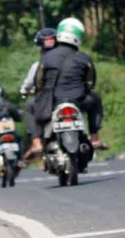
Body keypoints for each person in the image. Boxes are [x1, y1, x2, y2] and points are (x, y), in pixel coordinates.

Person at [32, 17, 106, 152]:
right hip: (79, 101)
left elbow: (38, 81)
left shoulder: (46, 57)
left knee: (33, 104)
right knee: (96, 99)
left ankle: (37, 142)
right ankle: (94, 137)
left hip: (53, 102)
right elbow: (91, 83)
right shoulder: (84, 58)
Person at [22, 28, 57, 156]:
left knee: (29, 106)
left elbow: (27, 85)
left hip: (45, 101)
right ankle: (93, 136)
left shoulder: (38, 65)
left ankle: (36, 142)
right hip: (68, 97)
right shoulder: (69, 60)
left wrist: (25, 91)